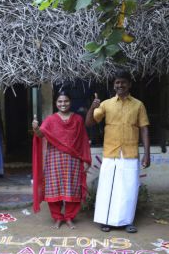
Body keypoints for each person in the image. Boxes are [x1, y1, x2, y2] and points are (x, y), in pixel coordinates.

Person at [86, 70, 150, 233]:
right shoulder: (106, 104)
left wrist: (147, 153)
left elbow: (144, 129)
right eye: (117, 82)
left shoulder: (138, 105)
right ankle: (105, 220)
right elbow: (89, 123)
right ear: (113, 85)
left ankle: (127, 221)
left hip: (130, 152)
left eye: (123, 82)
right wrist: (92, 107)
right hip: (111, 151)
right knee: (108, 187)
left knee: (128, 188)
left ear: (129, 84)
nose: (120, 85)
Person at [32, 91, 92, 229]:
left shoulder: (78, 119)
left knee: (72, 189)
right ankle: (57, 218)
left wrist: (85, 160)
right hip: (54, 158)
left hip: (73, 159)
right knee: (54, 188)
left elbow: (83, 140)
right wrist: (35, 128)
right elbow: (40, 135)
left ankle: (69, 217)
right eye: (60, 101)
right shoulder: (50, 119)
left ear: (70, 102)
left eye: (65, 101)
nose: (63, 104)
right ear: (55, 103)